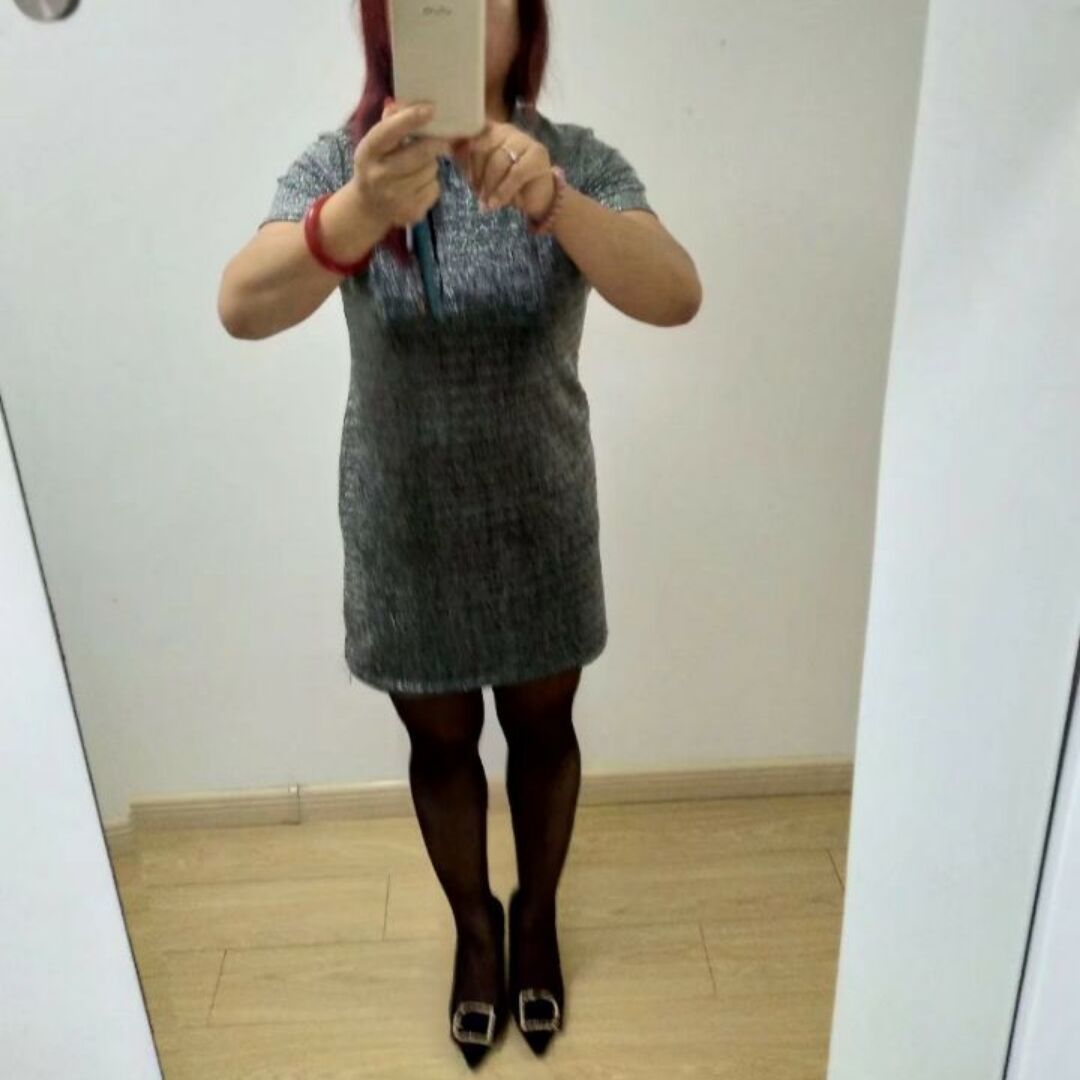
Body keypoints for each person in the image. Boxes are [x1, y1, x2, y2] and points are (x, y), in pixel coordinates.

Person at [217, 0, 701, 1067]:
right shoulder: (346, 167)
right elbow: (242, 307)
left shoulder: (573, 159)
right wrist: (354, 214)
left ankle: (538, 919)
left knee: (543, 734)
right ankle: (475, 935)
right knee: (438, 746)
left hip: (539, 522)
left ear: (523, 21)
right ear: (388, 23)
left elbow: (676, 294)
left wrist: (556, 201)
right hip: (407, 530)